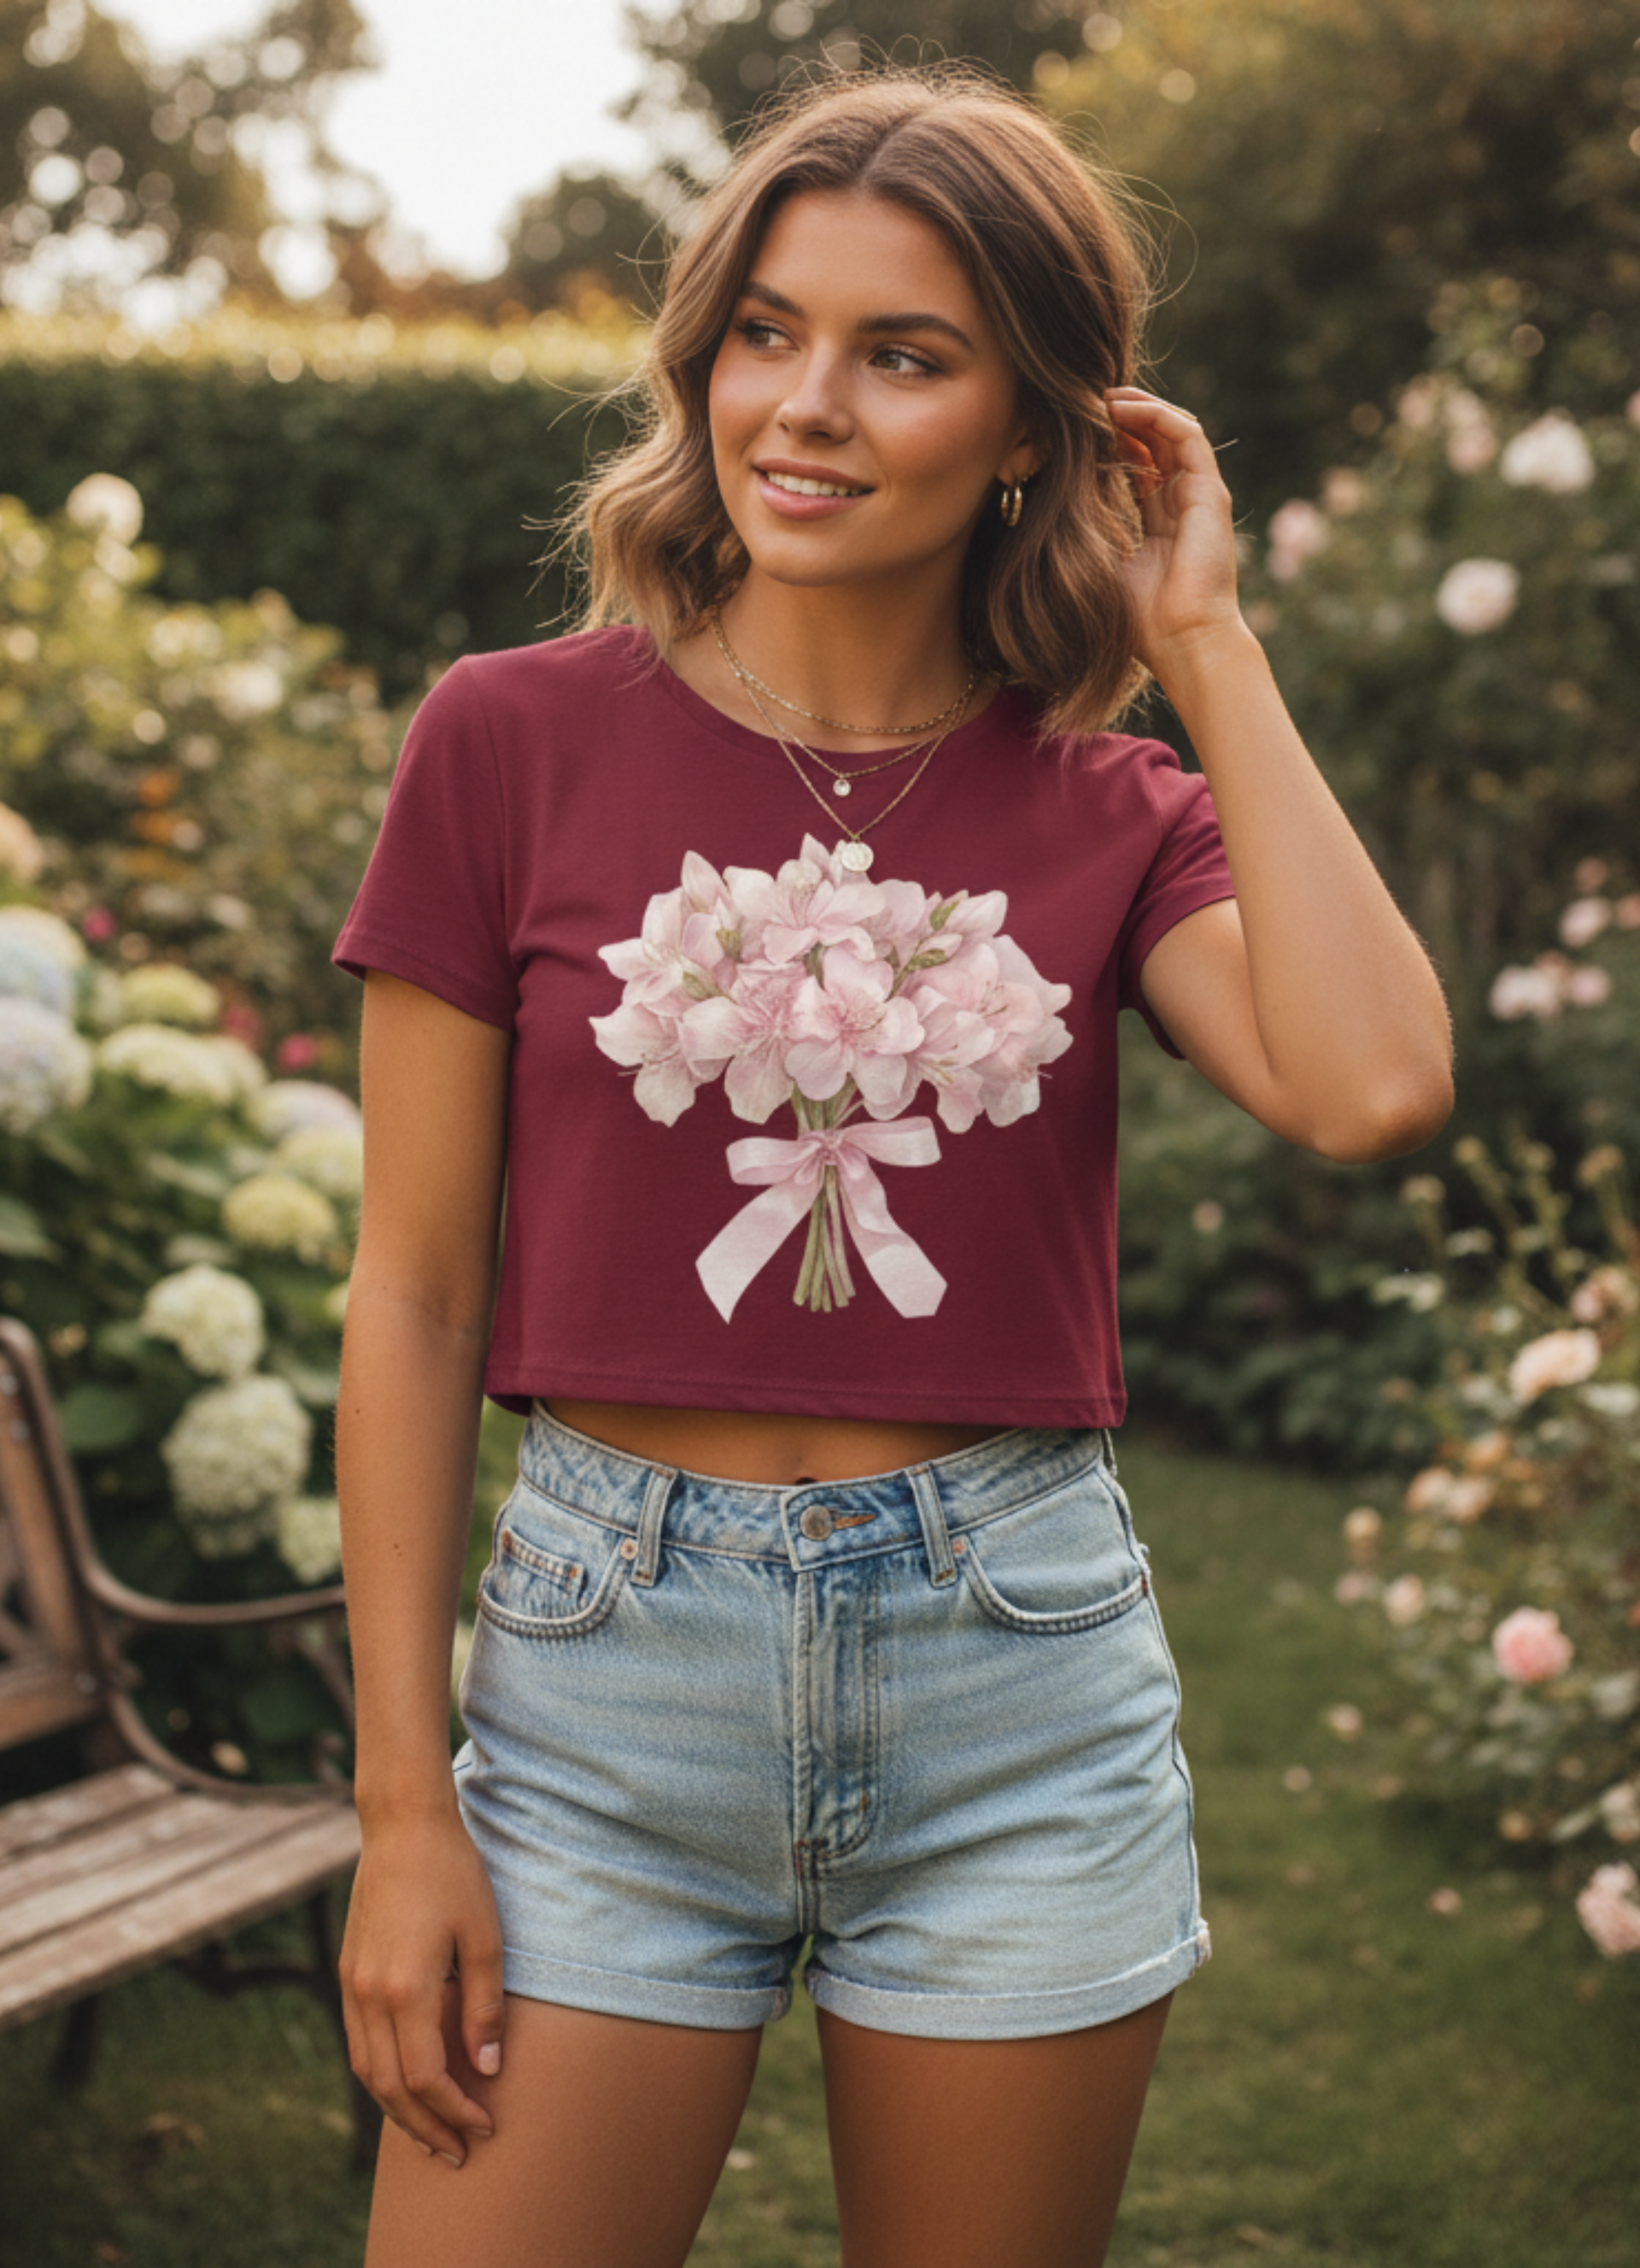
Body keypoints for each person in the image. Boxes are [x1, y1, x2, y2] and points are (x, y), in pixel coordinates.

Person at [332, 64, 1452, 2268]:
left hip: (1013, 1682)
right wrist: (398, 1811)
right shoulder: (508, 735)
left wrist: (1204, 644)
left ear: (1037, 426)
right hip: (598, 1682)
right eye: (767, 329)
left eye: (904, 354)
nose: (807, 405)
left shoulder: (1115, 806)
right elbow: (413, 1291)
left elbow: (1375, 1083)